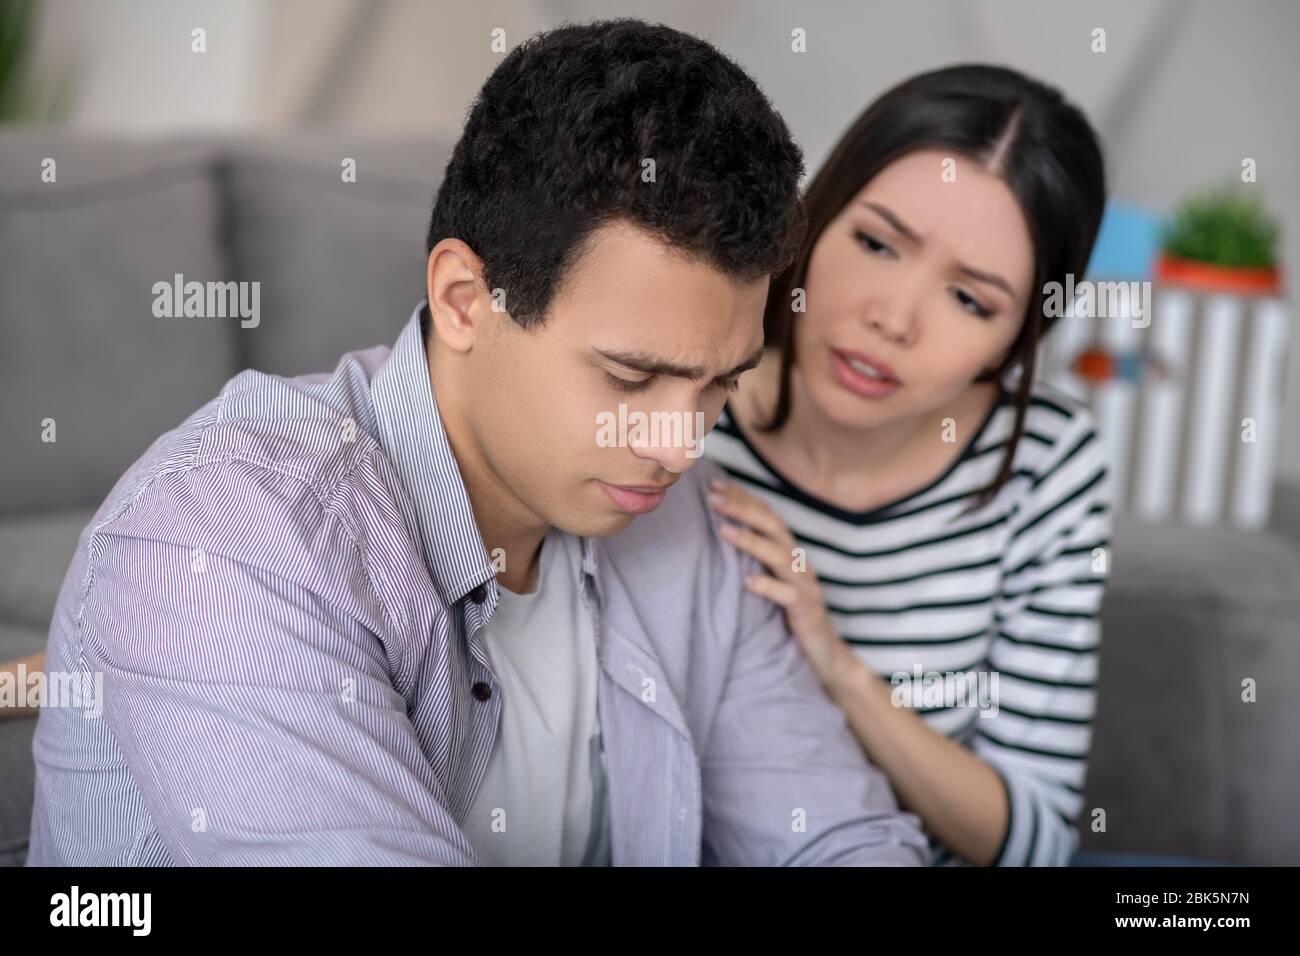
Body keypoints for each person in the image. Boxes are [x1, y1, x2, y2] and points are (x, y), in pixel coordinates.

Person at [24, 19, 927, 867]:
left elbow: (846, 841)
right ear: (464, 300)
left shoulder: (686, 522)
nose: (680, 443)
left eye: (720, 382)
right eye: (628, 377)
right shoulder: (230, 535)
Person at [702, 65, 1112, 866]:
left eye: (972, 300)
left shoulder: (1048, 464)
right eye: (877, 243)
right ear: (815, 220)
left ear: (1020, 336)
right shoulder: (687, 401)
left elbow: (1035, 839)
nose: (892, 318)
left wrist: (836, 666)